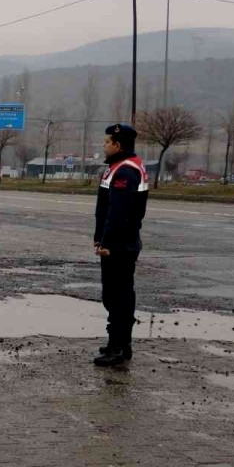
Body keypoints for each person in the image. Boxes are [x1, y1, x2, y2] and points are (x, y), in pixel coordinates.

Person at [92, 123, 149, 367]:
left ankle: (118, 347)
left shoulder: (125, 170)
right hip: (118, 241)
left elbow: (118, 213)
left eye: (107, 142)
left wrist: (107, 243)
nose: (104, 146)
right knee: (116, 295)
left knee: (118, 297)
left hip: (120, 244)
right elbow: (106, 210)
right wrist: (99, 237)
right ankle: (120, 342)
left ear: (117, 145)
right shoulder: (118, 167)